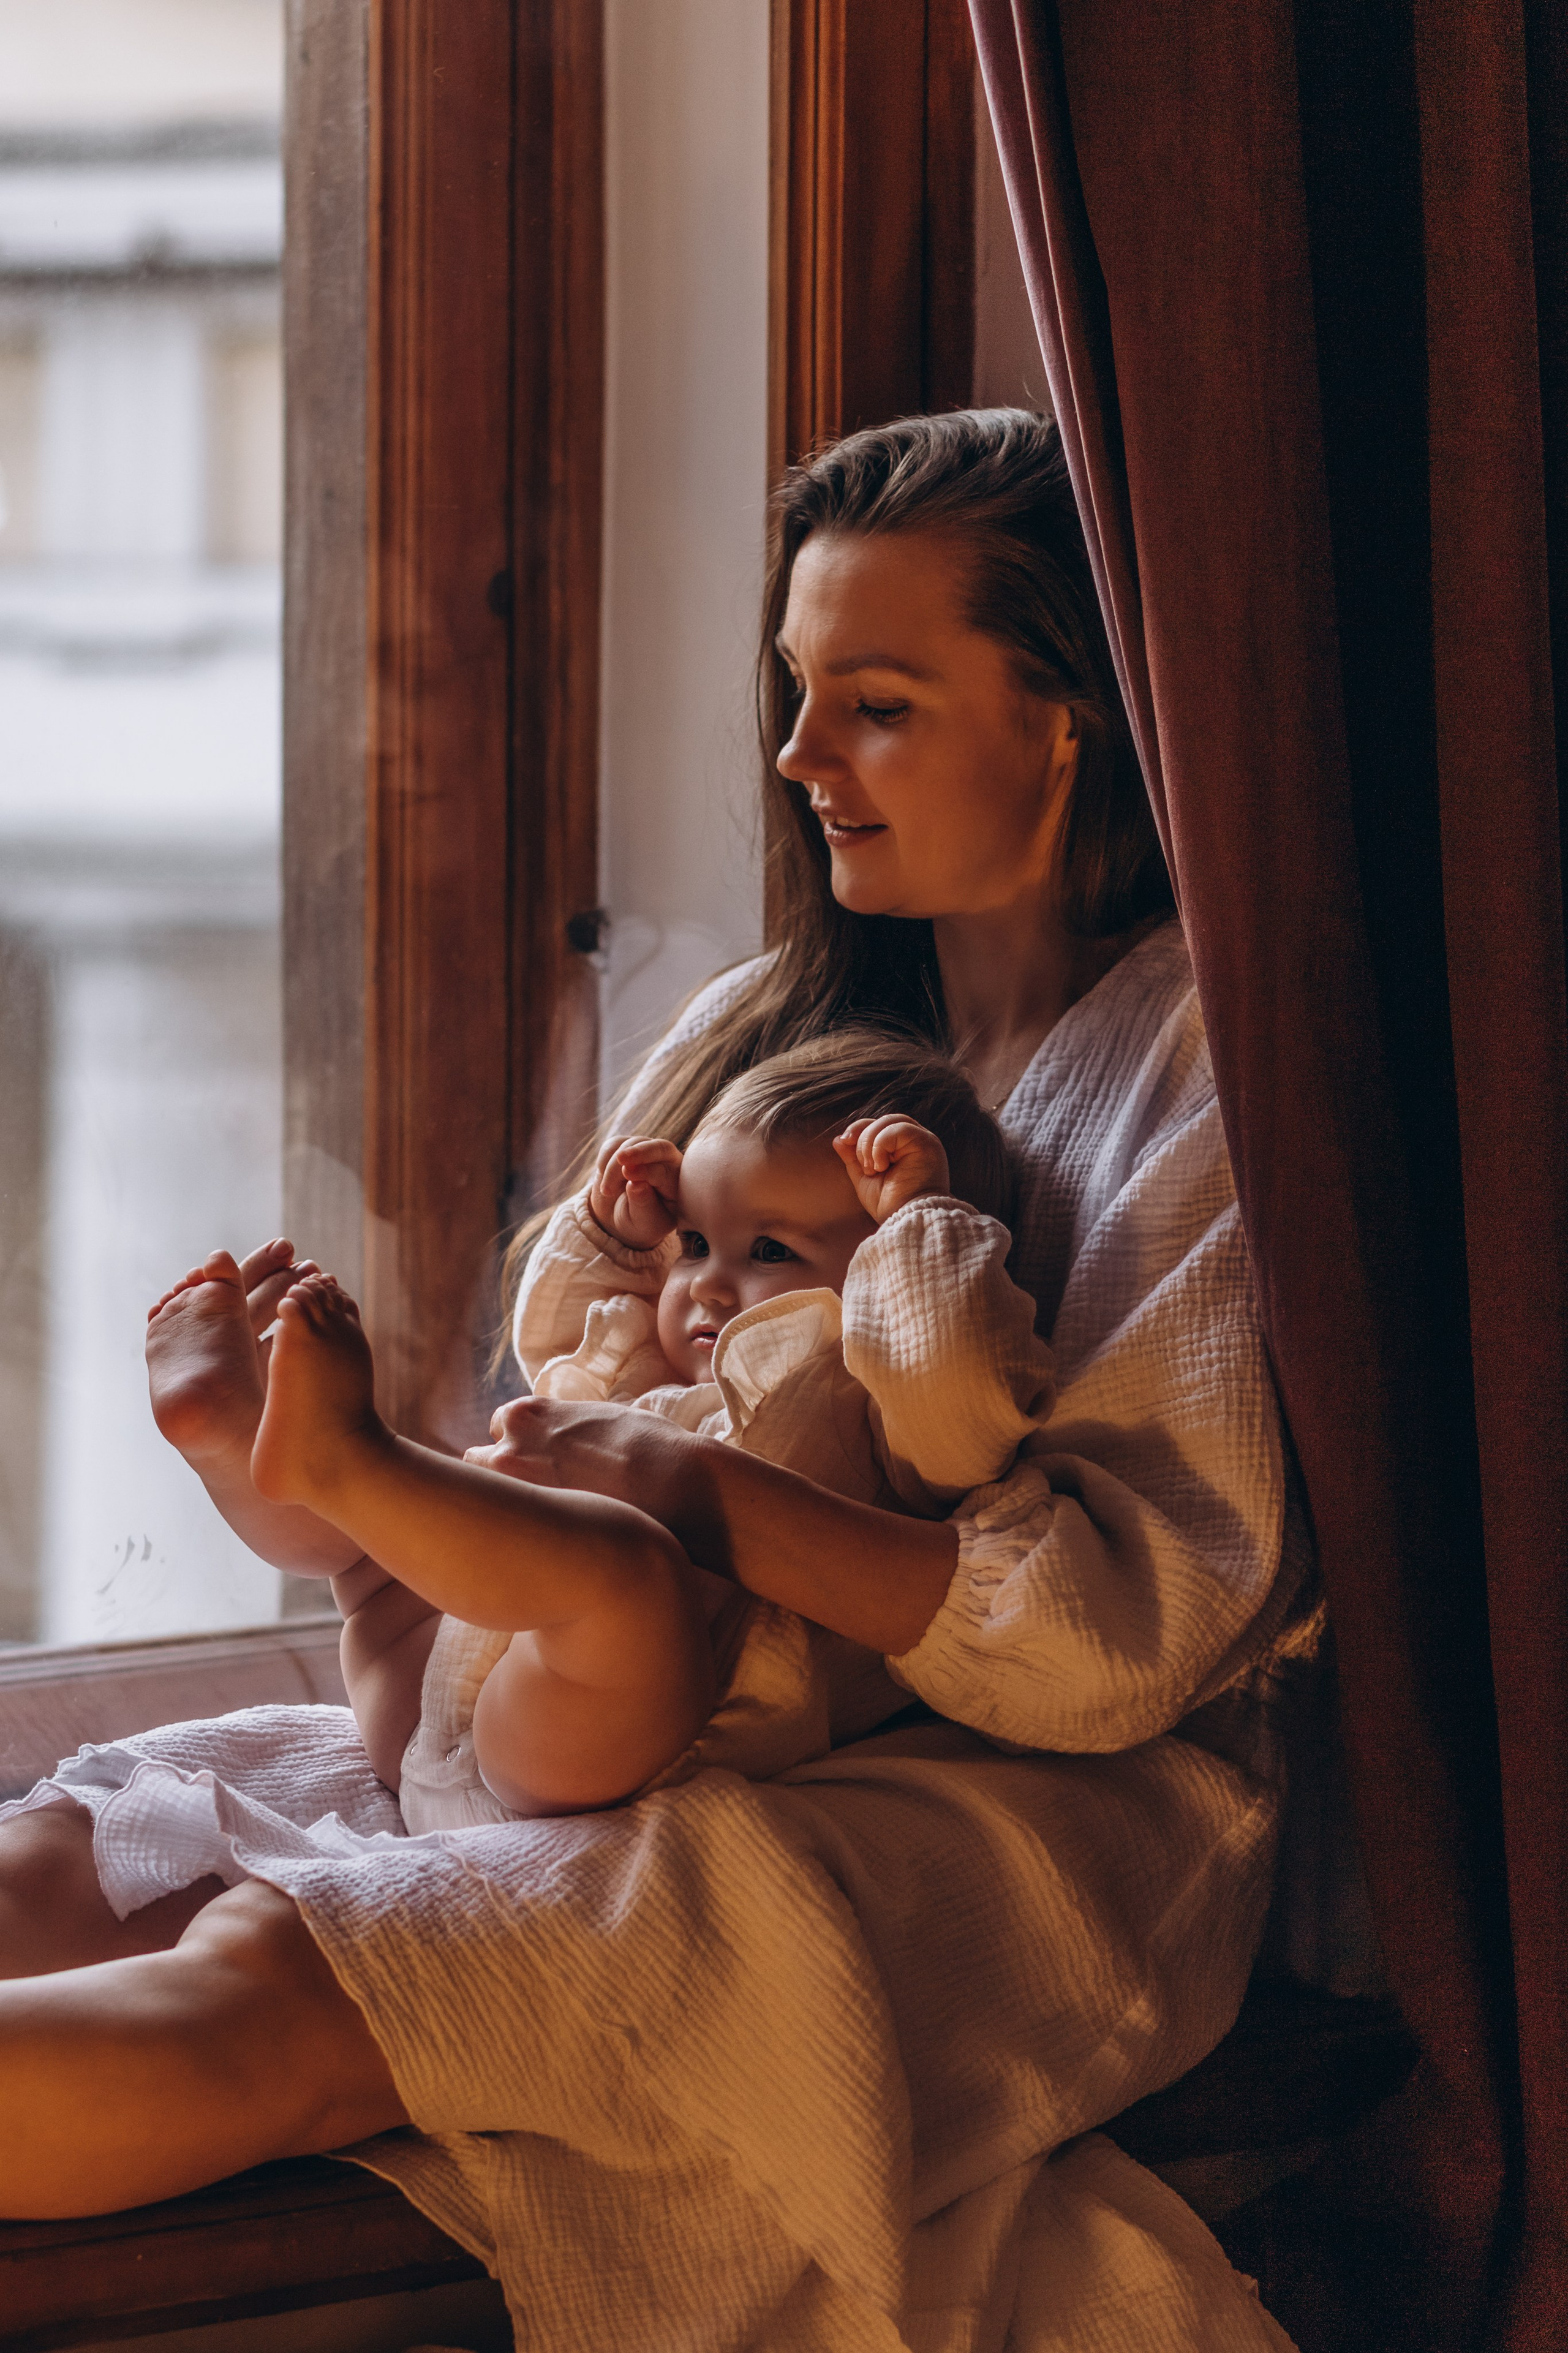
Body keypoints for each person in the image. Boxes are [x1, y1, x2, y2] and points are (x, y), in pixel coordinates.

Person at [0, 410, 1312, 2353]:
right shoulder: (769, 1024)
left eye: (874, 702)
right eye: (797, 692)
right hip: (628, 1699)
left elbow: (1119, 1652)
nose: (799, 759)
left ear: (1074, 718)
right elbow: (587, 1388)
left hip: (1004, 1806)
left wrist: (709, 1504)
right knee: (70, 1859)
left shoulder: (1212, 1068)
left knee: (289, 1974)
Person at [151, 1030, 1052, 1825]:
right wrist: (615, 1238)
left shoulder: (881, 1406)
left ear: (888, 1272)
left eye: (768, 1251)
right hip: (431, 1691)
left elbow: (960, 1393)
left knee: (630, 1573)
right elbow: (561, 1343)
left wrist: (926, 1225)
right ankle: (237, 1434)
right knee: (368, 1553)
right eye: (695, 1241)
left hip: (609, 1740)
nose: (703, 1281)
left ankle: (347, 1454)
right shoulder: (661, 1373)